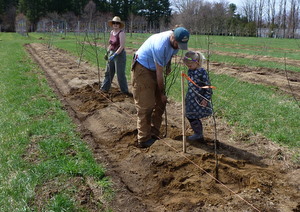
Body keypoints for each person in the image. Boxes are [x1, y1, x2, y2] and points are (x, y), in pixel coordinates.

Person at [131, 26, 190, 148]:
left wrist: (168, 66)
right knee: (146, 105)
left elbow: (170, 55)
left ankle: (154, 132)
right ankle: (143, 139)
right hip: (142, 68)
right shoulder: (160, 45)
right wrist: (162, 93)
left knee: (161, 103)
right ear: (173, 37)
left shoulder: (176, 44)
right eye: (178, 44)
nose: (179, 47)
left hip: (154, 68)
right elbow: (159, 73)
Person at [183, 51, 213, 141]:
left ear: (196, 62)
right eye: (187, 66)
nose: (189, 67)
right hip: (191, 99)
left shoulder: (202, 72)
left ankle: (198, 134)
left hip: (199, 100)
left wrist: (206, 99)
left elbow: (208, 87)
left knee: (193, 115)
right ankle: (197, 133)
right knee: (189, 114)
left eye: (190, 65)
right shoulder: (190, 71)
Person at [101, 16, 130, 95]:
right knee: (108, 72)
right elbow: (110, 44)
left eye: (117, 23)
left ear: (119, 24)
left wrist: (115, 55)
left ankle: (125, 91)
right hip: (111, 53)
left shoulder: (121, 33)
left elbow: (121, 46)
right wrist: (107, 52)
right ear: (112, 24)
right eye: (114, 23)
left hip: (119, 55)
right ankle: (104, 88)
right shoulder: (111, 32)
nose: (115, 24)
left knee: (120, 74)